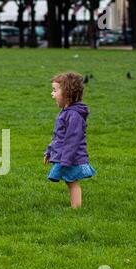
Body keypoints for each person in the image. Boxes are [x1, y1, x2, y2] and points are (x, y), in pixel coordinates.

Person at [44, 72, 96, 208]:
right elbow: (58, 136)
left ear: (67, 94)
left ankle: (76, 209)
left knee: (72, 183)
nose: (52, 94)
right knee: (70, 182)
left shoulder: (74, 115)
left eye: (55, 91)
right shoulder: (66, 113)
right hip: (66, 156)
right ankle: (75, 207)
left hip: (71, 158)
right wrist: (49, 151)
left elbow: (73, 140)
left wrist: (66, 160)